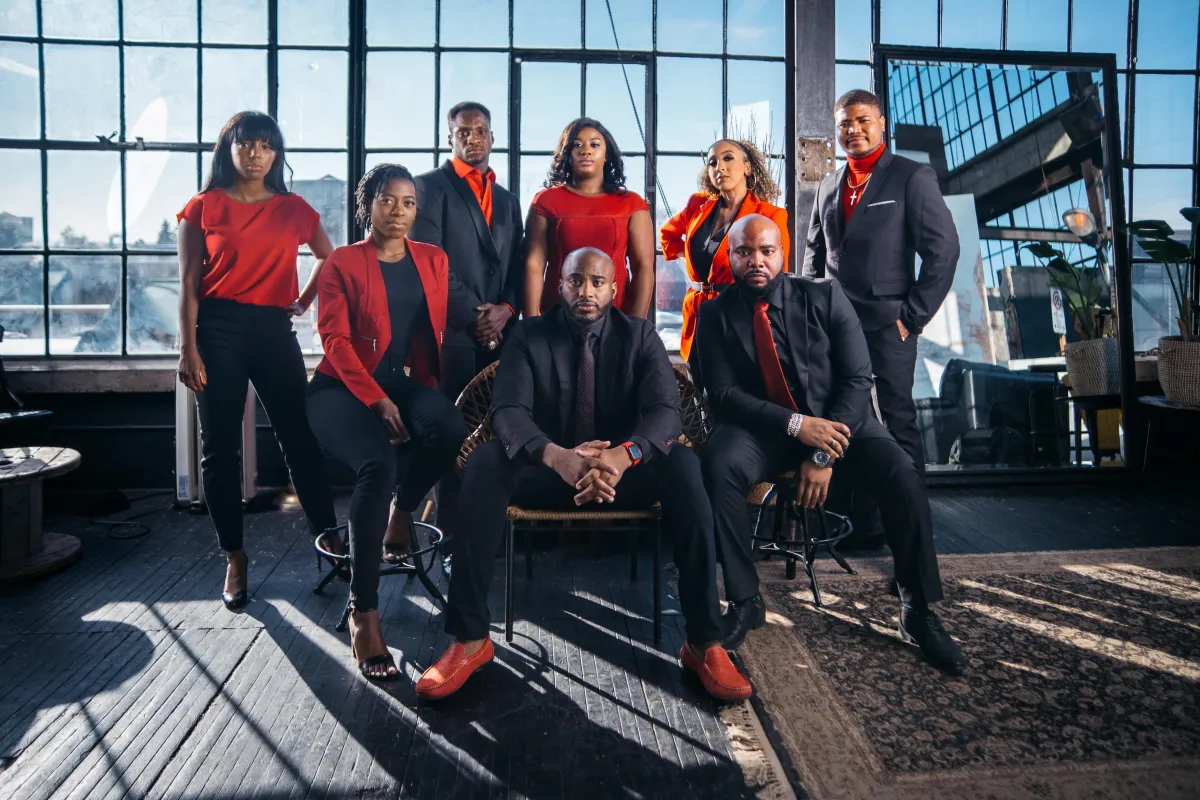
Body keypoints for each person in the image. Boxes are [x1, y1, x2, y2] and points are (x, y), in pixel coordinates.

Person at [416, 247, 752, 702]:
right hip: (548, 472)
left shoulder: (641, 336)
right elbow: (508, 412)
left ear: (614, 288)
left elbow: (666, 415)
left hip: (622, 475)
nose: (586, 291)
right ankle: (470, 640)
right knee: (485, 463)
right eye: (576, 281)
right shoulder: (528, 335)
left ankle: (704, 642)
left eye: (597, 282)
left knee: (685, 465)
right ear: (560, 285)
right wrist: (558, 457)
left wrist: (621, 456)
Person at [696, 214, 965, 675]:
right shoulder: (716, 314)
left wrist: (822, 453)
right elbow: (721, 395)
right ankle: (745, 599)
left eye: (766, 251)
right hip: (763, 431)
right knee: (717, 464)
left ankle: (916, 609)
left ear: (782, 253)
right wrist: (796, 425)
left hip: (842, 425)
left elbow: (857, 379)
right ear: (730, 256)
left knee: (901, 472)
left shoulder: (823, 296)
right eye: (744, 252)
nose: (756, 261)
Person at [306, 164, 466, 681]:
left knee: (449, 426)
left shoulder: (433, 259)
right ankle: (364, 611)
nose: (398, 212)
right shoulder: (342, 264)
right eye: (387, 201)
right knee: (377, 460)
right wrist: (376, 401)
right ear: (366, 205)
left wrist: (502, 312)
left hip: (396, 381)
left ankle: (402, 514)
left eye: (408, 202)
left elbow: (442, 318)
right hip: (338, 387)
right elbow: (335, 342)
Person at [176, 110, 337, 611]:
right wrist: (188, 347)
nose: (255, 155)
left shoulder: (293, 208)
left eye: (266, 147)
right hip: (217, 328)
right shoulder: (203, 207)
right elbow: (187, 285)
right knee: (219, 450)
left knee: (300, 437)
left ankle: (330, 541)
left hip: (273, 328)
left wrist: (305, 300)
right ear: (228, 148)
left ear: (276, 154)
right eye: (246, 145)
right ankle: (235, 557)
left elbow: (329, 258)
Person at [802, 89, 959, 471]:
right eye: (845, 124)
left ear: (881, 125)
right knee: (839, 418)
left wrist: (911, 318)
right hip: (834, 325)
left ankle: (909, 520)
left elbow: (944, 250)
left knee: (896, 419)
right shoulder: (828, 185)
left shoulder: (911, 177)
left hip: (889, 325)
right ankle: (860, 518)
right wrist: (811, 312)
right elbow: (814, 253)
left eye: (862, 120)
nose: (853, 129)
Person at [408, 101, 525, 566]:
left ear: (493, 137)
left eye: (481, 131)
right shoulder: (428, 188)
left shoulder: (511, 200)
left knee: (497, 434)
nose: (473, 138)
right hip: (453, 334)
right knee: (454, 435)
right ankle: (454, 541)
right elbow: (429, 260)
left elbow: (518, 264)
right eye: (463, 132)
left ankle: (492, 535)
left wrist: (507, 310)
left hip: (503, 335)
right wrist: (477, 316)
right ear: (449, 138)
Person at [659, 138, 789, 364]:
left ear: (747, 167)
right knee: (698, 382)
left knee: (730, 388)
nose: (719, 167)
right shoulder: (697, 205)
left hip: (740, 313)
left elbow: (777, 275)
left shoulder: (769, 214)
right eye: (712, 162)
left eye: (728, 158)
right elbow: (667, 234)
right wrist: (687, 257)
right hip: (697, 312)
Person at [523, 118, 654, 319]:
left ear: (606, 153)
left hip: (617, 318)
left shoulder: (632, 203)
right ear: (567, 154)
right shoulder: (545, 200)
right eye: (577, 145)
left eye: (594, 144)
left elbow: (643, 268)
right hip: (556, 317)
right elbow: (534, 265)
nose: (586, 151)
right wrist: (530, 323)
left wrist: (636, 327)